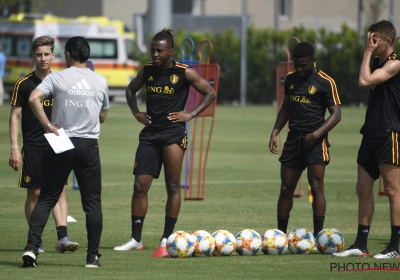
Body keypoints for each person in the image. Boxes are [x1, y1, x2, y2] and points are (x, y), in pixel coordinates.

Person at [113, 28, 216, 257]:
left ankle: (166, 238)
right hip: (150, 135)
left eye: (159, 51)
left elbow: (210, 92)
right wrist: (135, 112)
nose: (155, 54)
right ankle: (135, 239)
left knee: (172, 186)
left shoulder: (184, 72)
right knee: (140, 186)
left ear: (170, 51)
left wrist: (190, 114)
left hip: (173, 135)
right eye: (152, 50)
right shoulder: (147, 71)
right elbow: (130, 90)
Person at [22, 36, 109, 268]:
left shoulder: (58, 77)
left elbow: (33, 98)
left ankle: (32, 249)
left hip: (61, 141)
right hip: (88, 144)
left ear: (68, 55)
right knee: (92, 203)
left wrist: (47, 125)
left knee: (47, 197)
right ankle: (92, 258)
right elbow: (103, 115)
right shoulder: (100, 81)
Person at [333, 20, 400, 259]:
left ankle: (395, 247)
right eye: (369, 38)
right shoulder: (373, 62)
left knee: (392, 190)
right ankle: (361, 244)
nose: (370, 42)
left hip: (389, 132)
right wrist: (369, 54)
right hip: (370, 132)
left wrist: (367, 52)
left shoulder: (396, 64)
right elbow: (362, 78)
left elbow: (363, 82)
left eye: (375, 39)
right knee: (362, 188)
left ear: (388, 41)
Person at [9, 36, 78, 254]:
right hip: (33, 145)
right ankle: (36, 241)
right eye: (39, 54)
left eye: (47, 54)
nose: (43, 58)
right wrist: (13, 147)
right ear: (33, 56)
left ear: (53, 56)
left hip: (57, 143)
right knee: (35, 194)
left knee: (59, 192)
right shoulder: (24, 84)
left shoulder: (60, 82)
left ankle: (63, 237)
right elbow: (14, 117)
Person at [269, 42, 341, 241]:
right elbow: (285, 109)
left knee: (316, 187)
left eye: (303, 65)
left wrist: (316, 135)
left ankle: (319, 236)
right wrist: (275, 131)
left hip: (316, 141)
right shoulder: (291, 79)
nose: (299, 70)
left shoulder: (326, 82)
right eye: (296, 65)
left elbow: (336, 115)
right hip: (294, 139)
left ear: (313, 60)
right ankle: (281, 236)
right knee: (286, 188)